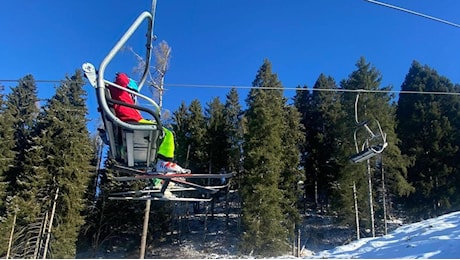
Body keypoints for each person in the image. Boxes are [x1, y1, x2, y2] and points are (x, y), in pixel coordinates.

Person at [108, 72, 190, 174]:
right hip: (132, 121)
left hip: (129, 122)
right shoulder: (119, 91)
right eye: (133, 94)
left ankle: (158, 176)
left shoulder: (117, 96)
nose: (133, 97)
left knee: (156, 141)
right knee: (167, 134)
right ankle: (164, 163)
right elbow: (122, 80)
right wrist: (122, 75)